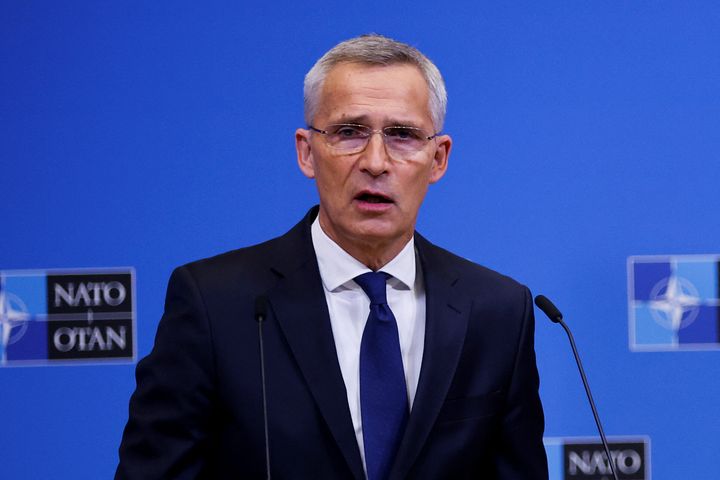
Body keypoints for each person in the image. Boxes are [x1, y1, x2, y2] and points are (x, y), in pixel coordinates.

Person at [116, 34, 548, 479]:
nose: (376, 161)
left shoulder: (497, 311)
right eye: (349, 132)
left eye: (402, 135)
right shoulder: (215, 304)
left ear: (438, 158)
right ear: (307, 151)